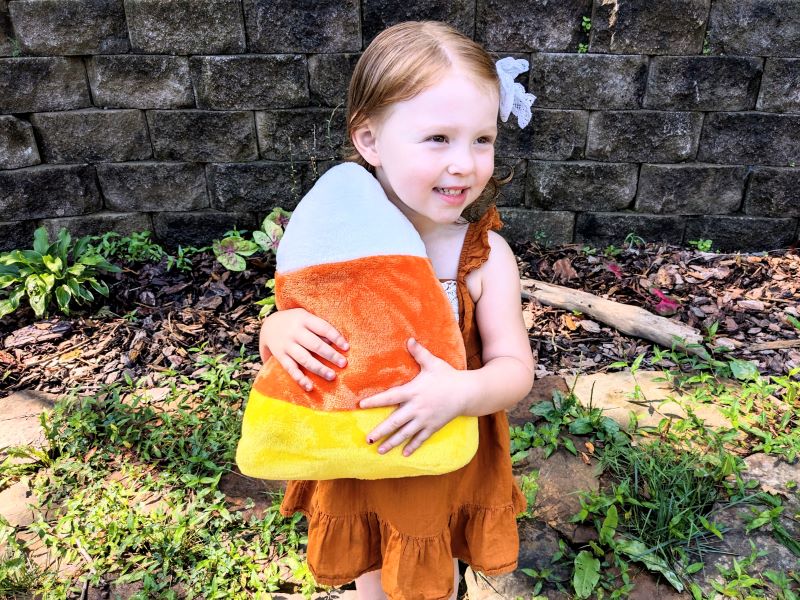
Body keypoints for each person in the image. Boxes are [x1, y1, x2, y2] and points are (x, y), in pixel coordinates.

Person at [258, 20, 536, 600]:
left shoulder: (483, 257)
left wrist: (459, 394)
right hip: (360, 450)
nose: (464, 163)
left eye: (481, 139)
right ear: (370, 142)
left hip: (438, 453)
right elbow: (299, 314)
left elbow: (515, 370)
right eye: (438, 139)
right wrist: (276, 328)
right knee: (373, 564)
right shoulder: (335, 241)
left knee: (427, 563)